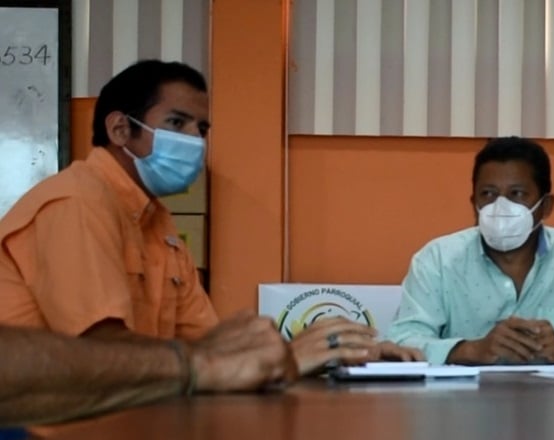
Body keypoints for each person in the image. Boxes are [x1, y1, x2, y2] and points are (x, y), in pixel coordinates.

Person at [0, 60, 420, 376]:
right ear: (120, 129)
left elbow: (209, 345)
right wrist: (283, 358)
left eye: (201, 129)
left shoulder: (158, 225)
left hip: (128, 420)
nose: (194, 140)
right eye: (176, 122)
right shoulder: (76, 203)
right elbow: (101, 357)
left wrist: (335, 351)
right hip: (42, 436)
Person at [386, 136, 554, 365]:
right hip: (466, 395)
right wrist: (471, 350)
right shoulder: (437, 259)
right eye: (488, 194)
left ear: (545, 206)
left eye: (517, 194)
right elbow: (402, 340)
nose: (500, 206)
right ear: (474, 204)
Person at [0, 312, 295, 427]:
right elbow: (101, 338)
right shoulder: (77, 206)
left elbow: (216, 340)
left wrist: (268, 356)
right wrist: (197, 363)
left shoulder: (161, 226)